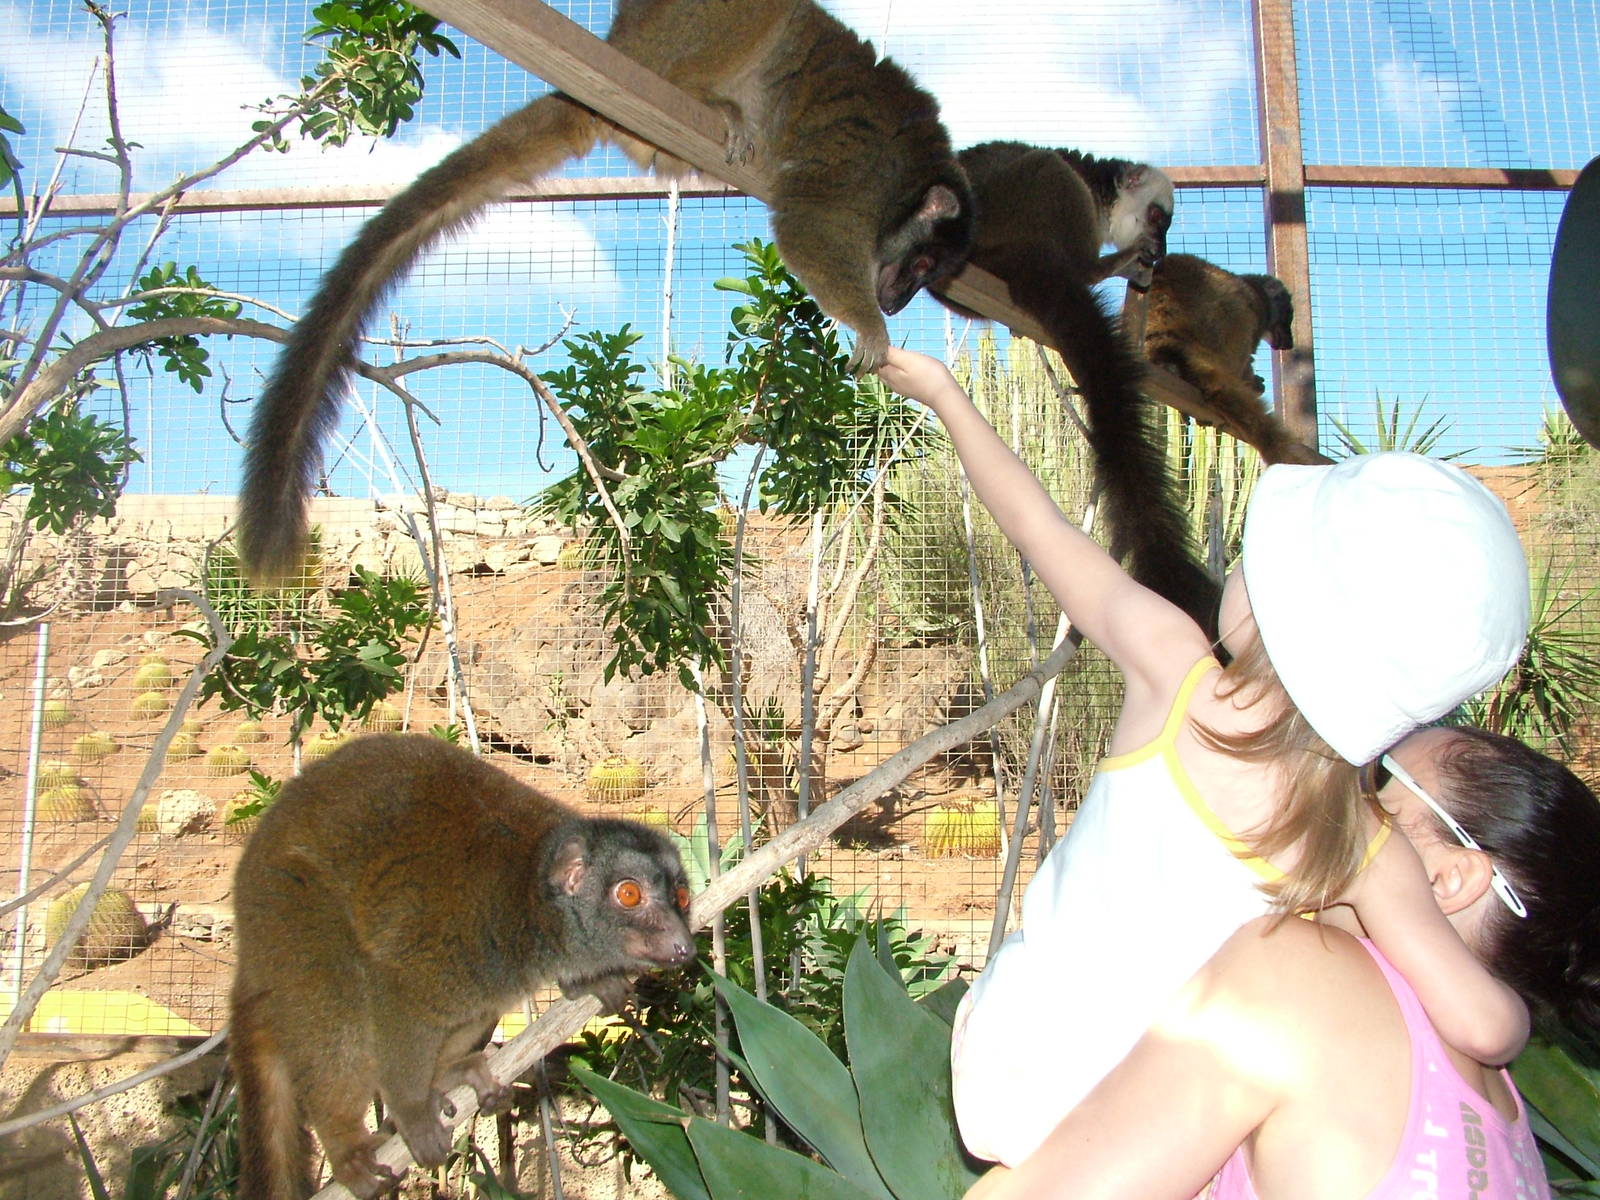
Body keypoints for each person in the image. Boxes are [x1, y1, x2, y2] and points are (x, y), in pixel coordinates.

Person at [872, 347, 1533, 1167]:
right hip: (1157, 1135)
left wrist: (944, 394)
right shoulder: (1372, 848)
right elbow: (1485, 1027)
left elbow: (1037, 526)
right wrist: (1519, 1013)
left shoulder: (1170, 666)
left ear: (1271, 605)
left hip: (1011, 1067)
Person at [962, 722, 1600, 1200]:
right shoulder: (1503, 1119)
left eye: (1380, 782)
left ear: (1449, 879)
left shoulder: (1305, 978)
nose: (1343, 789)